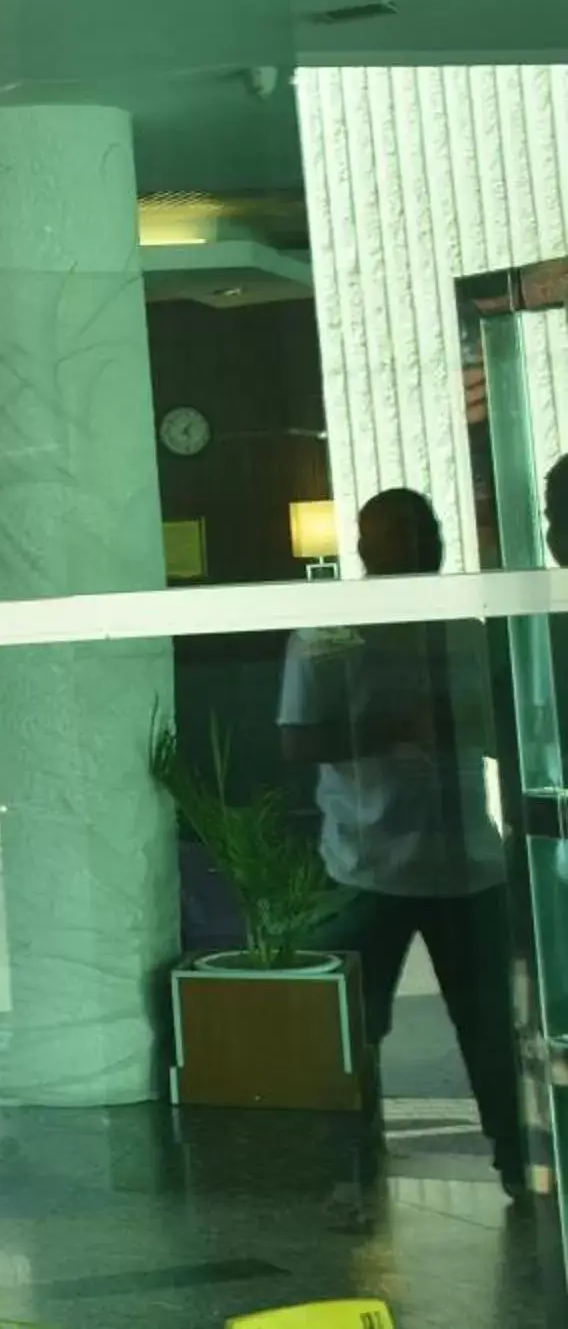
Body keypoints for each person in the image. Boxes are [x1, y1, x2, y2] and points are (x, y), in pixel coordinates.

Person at [279, 487, 523, 1197]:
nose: (424, 544)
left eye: (429, 529)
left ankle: (519, 1164)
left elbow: (507, 726)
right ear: (363, 546)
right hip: (365, 865)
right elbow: (297, 739)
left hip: (468, 862)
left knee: (489, 1030)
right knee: (357, 1033)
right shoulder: (330, 630)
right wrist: (399, 726)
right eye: (402, 534)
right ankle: (352, 1171)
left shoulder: (468, 622)